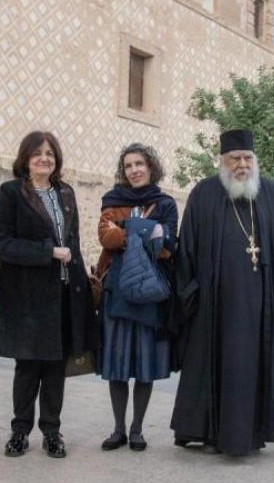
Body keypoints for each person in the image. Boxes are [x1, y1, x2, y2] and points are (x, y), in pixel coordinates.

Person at [170, 129, 274, 456]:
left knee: (253, 367)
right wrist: (191, 296)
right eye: (235, 158)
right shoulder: (204, 193)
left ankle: (251, 434)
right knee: (213, 366)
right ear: (223, 161)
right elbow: (186, 249)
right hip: (214, 308)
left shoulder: (269, 194)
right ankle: (209, 432)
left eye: (248, 158)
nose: (242, 165)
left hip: (261, 308)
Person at [0, 131, 98, 459]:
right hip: (26, 298)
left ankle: (52, 432)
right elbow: (3, 242)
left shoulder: (65, 192)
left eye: (50, 153)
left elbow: (74, 243)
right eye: (37, 153)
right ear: (25, 158)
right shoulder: (11, 192)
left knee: (55, 368)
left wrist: (82, 289)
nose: (44, 159)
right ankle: (20, 432)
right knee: (27, 368)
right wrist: (48, 252)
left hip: (64, 295)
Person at [96, 143, 177, 452]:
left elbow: (168, 246)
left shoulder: (165, 203)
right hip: (116, 290)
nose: (134, 170)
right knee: (116, 362)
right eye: (128, 165)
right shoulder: (112, 199)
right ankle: (118, 429)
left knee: (144, 363)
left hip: (149, 291)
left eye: (139, 164)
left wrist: (125, 229)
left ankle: (137, 430)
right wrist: (146, 231)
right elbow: (105, 237)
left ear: (151, 167)